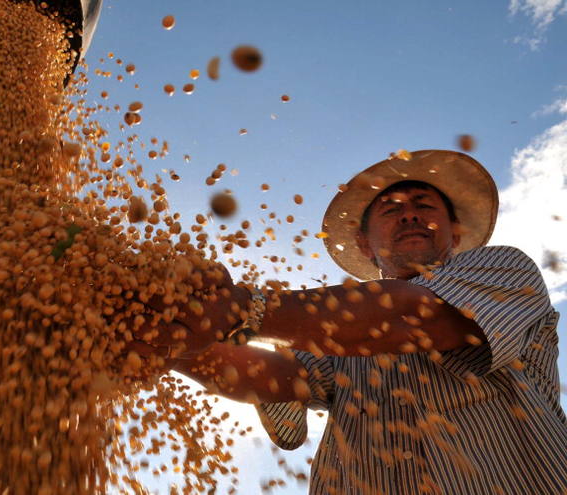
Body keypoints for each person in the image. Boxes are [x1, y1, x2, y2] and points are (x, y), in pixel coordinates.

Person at [129, 149, 567, 494]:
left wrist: (243, 308)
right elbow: (279, 376)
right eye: (391, 209)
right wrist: (164, 341)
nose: (410, 214)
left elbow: (417, 315)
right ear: (365, 241)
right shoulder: (334, 330)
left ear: (454, 231)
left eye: (422, 204)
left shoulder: (504, 271)